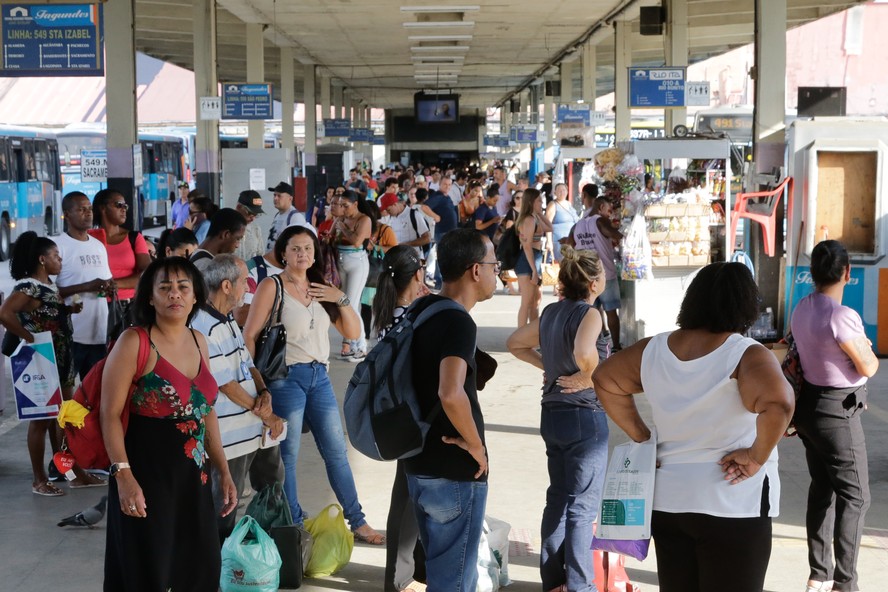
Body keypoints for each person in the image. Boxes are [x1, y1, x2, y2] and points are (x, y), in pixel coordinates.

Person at [590, 262, 795, 592]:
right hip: (732, 503)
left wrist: (643, 439)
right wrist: (756, 457)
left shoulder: (653, 348)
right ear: (746, 303)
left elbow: (605, 379)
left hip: (669, 503)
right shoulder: (745, 353)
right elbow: (780, 405)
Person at [101, 257, 238, 592]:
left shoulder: (199, 340)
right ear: (150, 297)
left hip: (194, 477)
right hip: (146, 474)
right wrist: (124, 477)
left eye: (182, 287)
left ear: (195, 298)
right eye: (164, 287)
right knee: (148, 567)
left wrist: (223, 468)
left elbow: (205, 410)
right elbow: (109, 414)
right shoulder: (134, 342)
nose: (174, 294)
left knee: (199, 564)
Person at [242, 225, 385, 545]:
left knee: (336, 452)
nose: (302, 254)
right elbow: (249, 335)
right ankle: (293, 522)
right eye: (295, 249)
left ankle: (358, 522)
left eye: (308, 248)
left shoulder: (324, 288)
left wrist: (342, 298)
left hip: (320, 378)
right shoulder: (271, 286)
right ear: (283, 253)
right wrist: (253, 380)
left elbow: (352, 332)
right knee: (288, 457)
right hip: (285, 380)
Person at [506, 245, 608, 592]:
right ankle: (581, 586)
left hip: (552, 415)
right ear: (593, 283)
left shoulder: (550, 312)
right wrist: (587, 374)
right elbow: (583, 351)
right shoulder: (591, 314)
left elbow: (515, 343)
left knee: (559, 498)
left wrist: (548, 365)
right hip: (585, 416)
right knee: (582, 507)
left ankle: (554, 580)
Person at [404, 228, 498, 592]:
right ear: (475, 271)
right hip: (454, 470)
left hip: (418, 461)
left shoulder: (422, 308)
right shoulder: (458, 320)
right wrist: (476, 445)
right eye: (493, 265)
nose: (497, 273)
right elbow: (450, 392)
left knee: (440, 575)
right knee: (455, 582)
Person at [790, 240, 878, 592]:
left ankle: (819, 574)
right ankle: (846, 583)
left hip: (809, 408)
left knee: (822, 488)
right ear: (847, 273)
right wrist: (865, 349)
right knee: (857, 496)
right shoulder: (842, 316)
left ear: (811, 274)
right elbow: (868, 366)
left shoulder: (802, 308)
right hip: (837, 413)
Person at [190, 255, 285, 542]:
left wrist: (265, 393)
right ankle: (219, 567)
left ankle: (263, 548)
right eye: (245, 281)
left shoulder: (228, 318)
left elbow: (248, 364)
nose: (249, 286)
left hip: (255, 427)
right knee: (225, 503)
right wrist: (266, 414)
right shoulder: (202, 325)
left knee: (272, 486)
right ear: (227, 285)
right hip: (230, 437)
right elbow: (225, 385)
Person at [0, 232, 103, 496]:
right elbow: (5, 313)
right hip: (40, 360)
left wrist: (68, 311)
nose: (61, 260)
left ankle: (71, 472)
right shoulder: (29, 287)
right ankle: (39, 479)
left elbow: (44, 313)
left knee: (64, 416)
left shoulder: (48, 286)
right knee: (41, 421)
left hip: (60, 359)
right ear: (42, 259)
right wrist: (29, 337)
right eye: (56, 256)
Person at [372, 245, 429, 592]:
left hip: (398, 416)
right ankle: (400, 578)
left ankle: (407, 573)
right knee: (408, 497)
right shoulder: (411, 317)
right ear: (418, 274)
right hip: (412, 416)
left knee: (407, 494)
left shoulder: (389, 312)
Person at [54, 192, 115, 380]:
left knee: (95, 393)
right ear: (67, 214)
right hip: (73, 335)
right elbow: (48, 293)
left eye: (89, 209)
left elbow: (107, 280)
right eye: (81, 209)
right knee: (69, 393)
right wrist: (87, 286)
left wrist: (109, 287)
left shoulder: (98, 246)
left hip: (99, 333)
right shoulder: (58, 246)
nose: (88, 213)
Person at [570, 196, 624, 351]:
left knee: (590, 312)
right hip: (605, 273)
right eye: (609, 210)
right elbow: (614, 234)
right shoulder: (600, 221)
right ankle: (616, 346)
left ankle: (598, 345)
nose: (610, 214)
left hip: (585, 274)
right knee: (611, 311)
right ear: (600, 207)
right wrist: (621, 236)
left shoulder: (578, 225)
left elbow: (569, 243)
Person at [91, 189, 151, 304]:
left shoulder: (134, 238)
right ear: (103, 208)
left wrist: (113, 284)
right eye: (119, 205)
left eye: (125, 206)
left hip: (129, 305)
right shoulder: (90, 238)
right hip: (96, 305)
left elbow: (148, 273)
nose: (124, 209)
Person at [333, 190, 371, 360]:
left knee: (351, 304)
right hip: (341, 260)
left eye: (345, 206)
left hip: (357, 262)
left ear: (355, 204)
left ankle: (361, 346)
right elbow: (333, 239)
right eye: (340, 205)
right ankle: (352, 344)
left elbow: (357, 241)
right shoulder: (341, 219)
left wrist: (344, 228)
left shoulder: (364, 219)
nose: (342, 209)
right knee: (345, 304)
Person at [515, 188, 553, 327]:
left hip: (534, 259)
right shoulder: (529, 220)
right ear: (531, 202)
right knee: (527, 302)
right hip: (528, 260)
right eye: (539, 201)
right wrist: (534, 271)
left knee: (535, 301)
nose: (542, 203)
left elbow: (550, 227)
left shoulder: (534, 217)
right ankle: (521, 336)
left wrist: (540, 213)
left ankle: (532, 334)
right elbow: (527, 246)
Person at [379, 193, 430, 260]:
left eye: (389, 210)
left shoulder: (414, 215)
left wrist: (407, 244)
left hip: (414, 258)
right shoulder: (390, 218)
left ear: (395, 204)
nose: (388, 213)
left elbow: (427, 238)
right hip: (398, 258)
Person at [266, 181, 308, 251]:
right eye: (274, 195)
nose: (275, 198)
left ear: (290, 199)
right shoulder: (277, 215)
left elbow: (298, 245)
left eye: (279, 196)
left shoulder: (295, 217)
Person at [545, 183, 579, 262]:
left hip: (570, 240)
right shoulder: (553, 204)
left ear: (567, 191)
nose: (562, 192)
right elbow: (547, 224)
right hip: (558, 241)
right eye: (559, 190)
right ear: (555, 192)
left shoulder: (568, 203)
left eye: (564, 190)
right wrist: (549, 242)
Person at [233, 189, 266, 261]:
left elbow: (260, 255)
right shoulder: (225, 227)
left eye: (256, 215)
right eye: (250, 213)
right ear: (238, 207)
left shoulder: (256, 229)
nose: (253, 218)